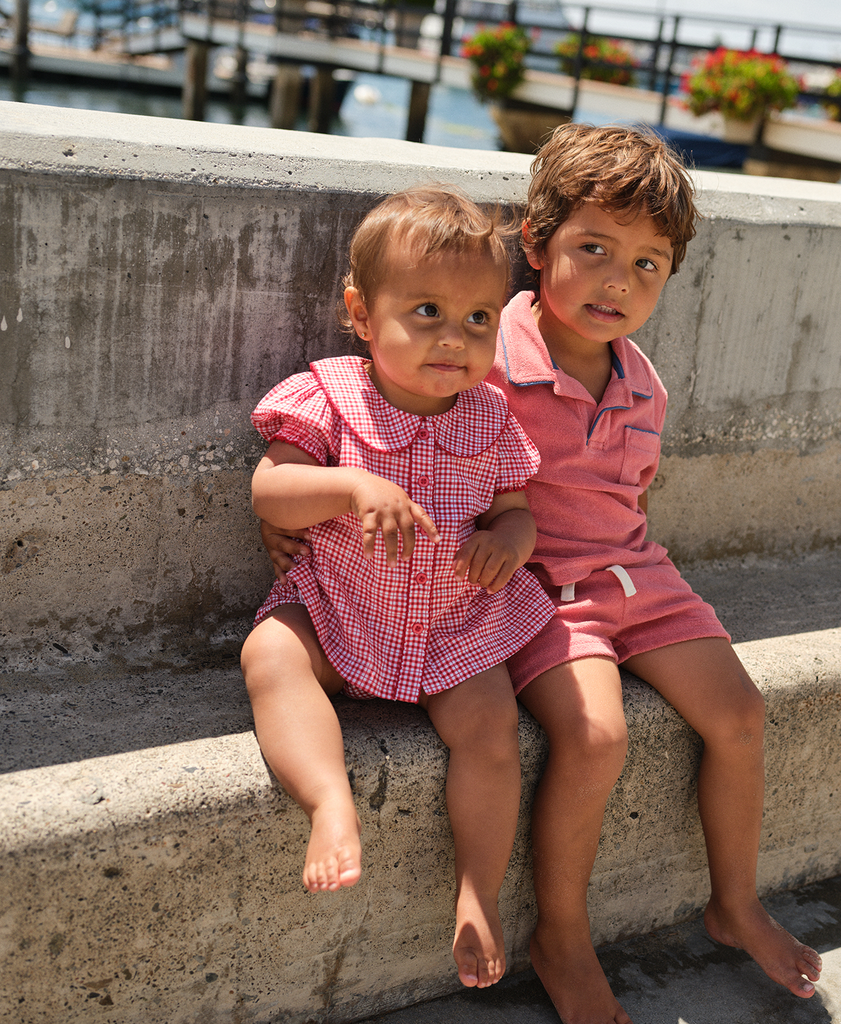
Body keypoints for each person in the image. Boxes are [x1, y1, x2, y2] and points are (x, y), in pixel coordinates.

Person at [262, 125, 823, 1022]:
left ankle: (736, 901)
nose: (617, 282)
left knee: (742, 715)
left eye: (647, 265)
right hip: (540, 596)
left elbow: (627, 498)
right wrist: (304, 517)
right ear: (534, 245)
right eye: (593, 250)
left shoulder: (643, 382)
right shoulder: (487, 365)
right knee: (597, 737)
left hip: (637, 574)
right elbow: (375, 452)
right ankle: (561, 934)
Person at [240, 185, 555, 991]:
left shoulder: (489, 417)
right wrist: (349, 487)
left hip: (451, 624)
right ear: (360, 311)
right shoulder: (332, 396)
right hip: (342, 613)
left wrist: (505, 544)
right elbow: (270, 493)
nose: (455, 339)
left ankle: (478, 893)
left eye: (479, 319)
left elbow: (518, 513)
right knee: (272, 656)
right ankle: (329, 802)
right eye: (425, 312)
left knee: (491, 732)